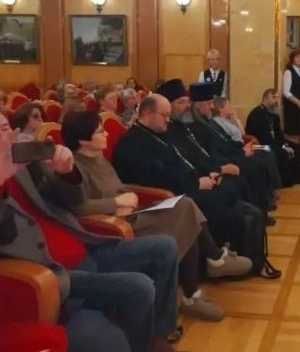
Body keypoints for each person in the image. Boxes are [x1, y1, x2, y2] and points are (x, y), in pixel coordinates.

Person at [0, 112, 179, 352]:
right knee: (139, 287)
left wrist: (66, 174)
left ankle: (156, 337)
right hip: (56, 271)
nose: (10, 136)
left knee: (164, 247)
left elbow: (71, 202)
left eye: (7, 127)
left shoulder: (23, 165)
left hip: (83, 243)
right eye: (1, 131)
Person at [61, 110, 252, 320]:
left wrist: (129, 197)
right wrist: (115, 203)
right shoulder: (76, 167)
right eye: (99, 131)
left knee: (185, 205)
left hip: (132, 213)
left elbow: (120, 187)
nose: (106, 134)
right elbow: (79, 207)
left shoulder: (99, 159)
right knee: (186, 215)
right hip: (116, 227)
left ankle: (203, 279)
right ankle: (204, 277)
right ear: (83, 140)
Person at [112, 94, 252, 240]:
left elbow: (183, 162)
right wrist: (196, 182)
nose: (168, 120)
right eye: (164, 115)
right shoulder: (133, 143)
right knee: (225, 194)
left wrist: (207, 174)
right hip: (165, 197)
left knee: (230, 189)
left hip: (183, 185)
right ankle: (221, 249)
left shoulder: (158, 134)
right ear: (147, 113)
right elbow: (156, 178)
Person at [186, 82, 278, 216]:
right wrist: (242, 153)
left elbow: (228, 140)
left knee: (266, 152)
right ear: (197, 105)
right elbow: (214, 151)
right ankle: (261, 206)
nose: (212, 106)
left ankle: (269, 193)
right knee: (257, 163)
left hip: (238, 149)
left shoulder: (211, 122)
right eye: (209, 103)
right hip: (229, 157)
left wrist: (242, 147)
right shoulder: (200, 126)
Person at [246, 89, 300, 187]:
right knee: (279, 151)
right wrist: (280, 146)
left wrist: (284, 144)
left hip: (272, 142)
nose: (276, 100)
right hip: (258, 145)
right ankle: (282, 182)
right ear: (265, 99)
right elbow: (261, 135)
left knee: (295, 147)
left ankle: (296, 179)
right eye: (273, 97)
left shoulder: (273, 114)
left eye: (277, 98)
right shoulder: (257, 114)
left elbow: (278, 133)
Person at [282, 50, 300, 144]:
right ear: (292, 59)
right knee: (292, 132)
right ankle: (291, 150)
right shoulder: (289, 72)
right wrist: (298, 102)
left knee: (299, 132)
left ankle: (296, 149)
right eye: (297, 57)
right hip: (292, 107)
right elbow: (286, 92)